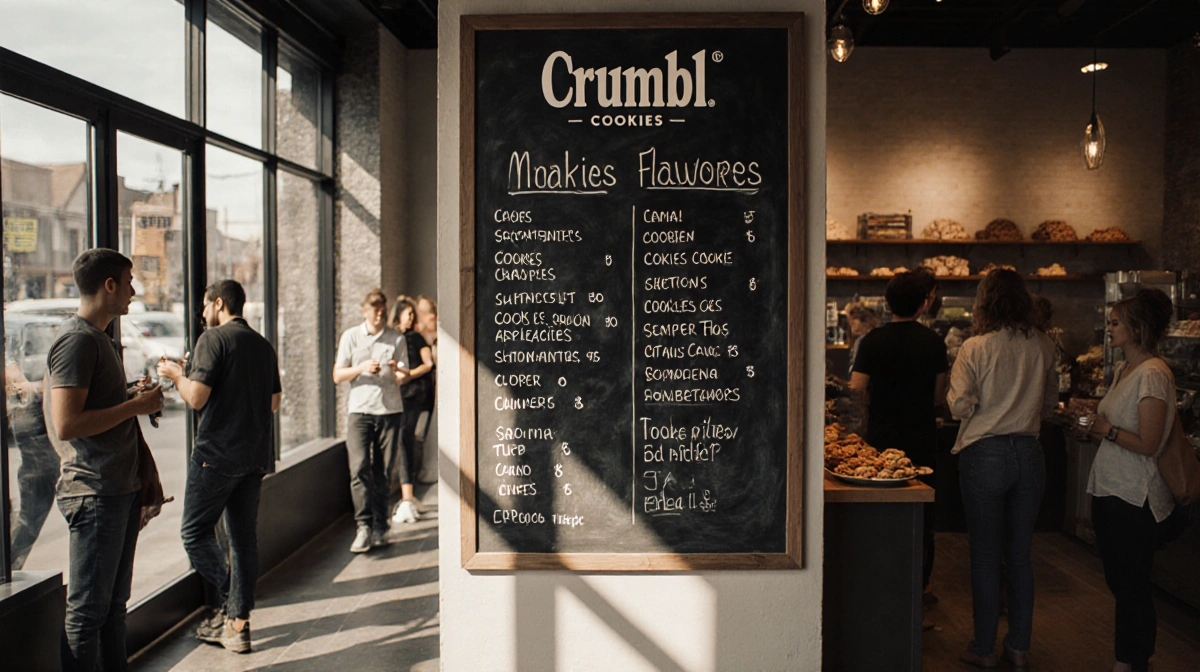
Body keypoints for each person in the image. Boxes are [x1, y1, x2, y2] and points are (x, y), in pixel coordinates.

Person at [48, 249, 165, 671]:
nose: (135, 291)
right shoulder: (78, 340)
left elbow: (92, 408)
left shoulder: (98, 339)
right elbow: (66, 424)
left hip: (116, 489)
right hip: (95, 492)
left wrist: (130, 396)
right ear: (109, 285)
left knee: (113, 607)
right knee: (87, 613)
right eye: (129, 282)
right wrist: (134, 407)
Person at [157, 280, 282, 654]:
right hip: (254, 456)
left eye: (205, 304)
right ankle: (237, 624)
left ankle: (233, 602)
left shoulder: (212, 339)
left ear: (219, 304)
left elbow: (196, 398)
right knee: (243, 541)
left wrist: (176, 375)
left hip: (216, 456)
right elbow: (273, 402)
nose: (202, 312)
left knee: (194, 533)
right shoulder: (262, 345)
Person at [946, 269, 1057, 668]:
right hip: (1029, 453)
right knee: (1020, 556)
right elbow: (1049, 405)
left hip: (985, 453)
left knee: (985, 557)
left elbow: (959, 406)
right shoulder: (1043, 344)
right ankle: (1019, 648)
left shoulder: (975, 347)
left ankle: (983, 649)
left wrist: (981, 401)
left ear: (984, 303)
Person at [1081, 289, 1176, 672]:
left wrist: (1107, 430)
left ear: (1137, 328)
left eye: (1115, 323)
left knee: (1130, 582)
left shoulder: (1153, 374)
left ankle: (1131, 659)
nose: (1109, 329)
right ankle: (1137, 654)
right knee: (1119, 579)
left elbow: (1149, 443)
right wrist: (1093, 427)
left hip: (1136, 495)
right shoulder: (1125, 370)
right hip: (1111, 488)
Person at [850, 271, 949, 603]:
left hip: (880, 439)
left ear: (887, 301)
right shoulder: (934, 342)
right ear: (923, 304)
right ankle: (920, 586)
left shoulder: (872, 341)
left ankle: (880, 582)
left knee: (880, 512)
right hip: (921, 436)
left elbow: (856, 390)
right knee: (922, 515)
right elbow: (938, 397)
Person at [334, 289, 410, 552]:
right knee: (358, 468)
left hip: (389, 411)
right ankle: (363, 526)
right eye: (375, 310)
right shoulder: (351, 337)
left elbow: (404, 376)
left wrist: (397, 370)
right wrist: (361, 368)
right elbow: (337, 375)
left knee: (383, 471)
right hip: (360, 411)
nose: (380, 314)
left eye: (383, 310)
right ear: (364, 311)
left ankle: (380, 526)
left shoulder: (396, 338)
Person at [387, 296, 434, 523]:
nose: (410, 318)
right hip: (402, 396)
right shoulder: (391, 339)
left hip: (419, 395)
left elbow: (429, 364)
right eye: (407, 314)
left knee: (413, 441)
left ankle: (408, 496)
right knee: (405, 442)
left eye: (412, 314)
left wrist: (407, 375)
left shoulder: (415, 337)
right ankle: (408, 496)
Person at [844, 302, 879, 377]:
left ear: (864, 320)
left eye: (854, 319)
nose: (851, 323)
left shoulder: (863, 340)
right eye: (850, 319)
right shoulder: (872, 338)